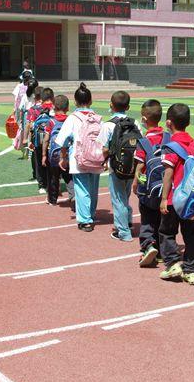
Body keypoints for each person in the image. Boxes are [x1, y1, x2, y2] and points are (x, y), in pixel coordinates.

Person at [159, 103, 194, 285]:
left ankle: (173, 263)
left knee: (167, 232)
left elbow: (168, 174)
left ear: (169, 123)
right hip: (192, 198)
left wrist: (163, 198)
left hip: (174, 198)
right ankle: (191, 270)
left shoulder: (171, 146)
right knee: (191, 234)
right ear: (189, 122)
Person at [54, 83, 102, 231]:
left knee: (81, 189)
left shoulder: (73, 118)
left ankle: (85, 220)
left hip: (78, 158)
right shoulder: (98, 118)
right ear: (91, 101)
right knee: (93, 188)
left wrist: (63, 157)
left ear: (75, 102)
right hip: (96, 157)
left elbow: (62, 140)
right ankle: (91, 213)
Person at [98, 90, 137, 242]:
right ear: (128, 107)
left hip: (116, 167)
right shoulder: (135, 123)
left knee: (118, 199)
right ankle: (126, 221)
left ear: (111, 105)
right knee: (125, 197)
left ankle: (123, 232)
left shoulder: (108, 125)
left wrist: (105, 160)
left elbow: (104, 148)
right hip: (132, 166)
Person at [134, 99, 166, 267]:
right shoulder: (168, 137)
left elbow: (140, 166)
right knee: (162, 219)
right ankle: (161, 251)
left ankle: (148, 245)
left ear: (144, 120)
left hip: (147, 188)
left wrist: (135, 183)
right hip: (165, 189)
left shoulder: (143, 141)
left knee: (147, 218)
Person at [43, 94, 72, 207]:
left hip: (53, 156)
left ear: (54, 107)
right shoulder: (70, 120)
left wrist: (44, 155)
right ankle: (73, 196)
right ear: (68, 108)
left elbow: (46, 139)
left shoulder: (51, 121)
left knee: (53, 178)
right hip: (68, 155)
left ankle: (52, 199)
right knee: (69, 177)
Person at [27, 87, 54, 194]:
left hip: (38, 140)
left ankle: (41, 185)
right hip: (51, 140)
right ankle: (50, 183)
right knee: (50, 162)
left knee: (39, 162)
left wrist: (29, 140)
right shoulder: (54, 108)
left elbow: (30, 125)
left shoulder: (33, 109)